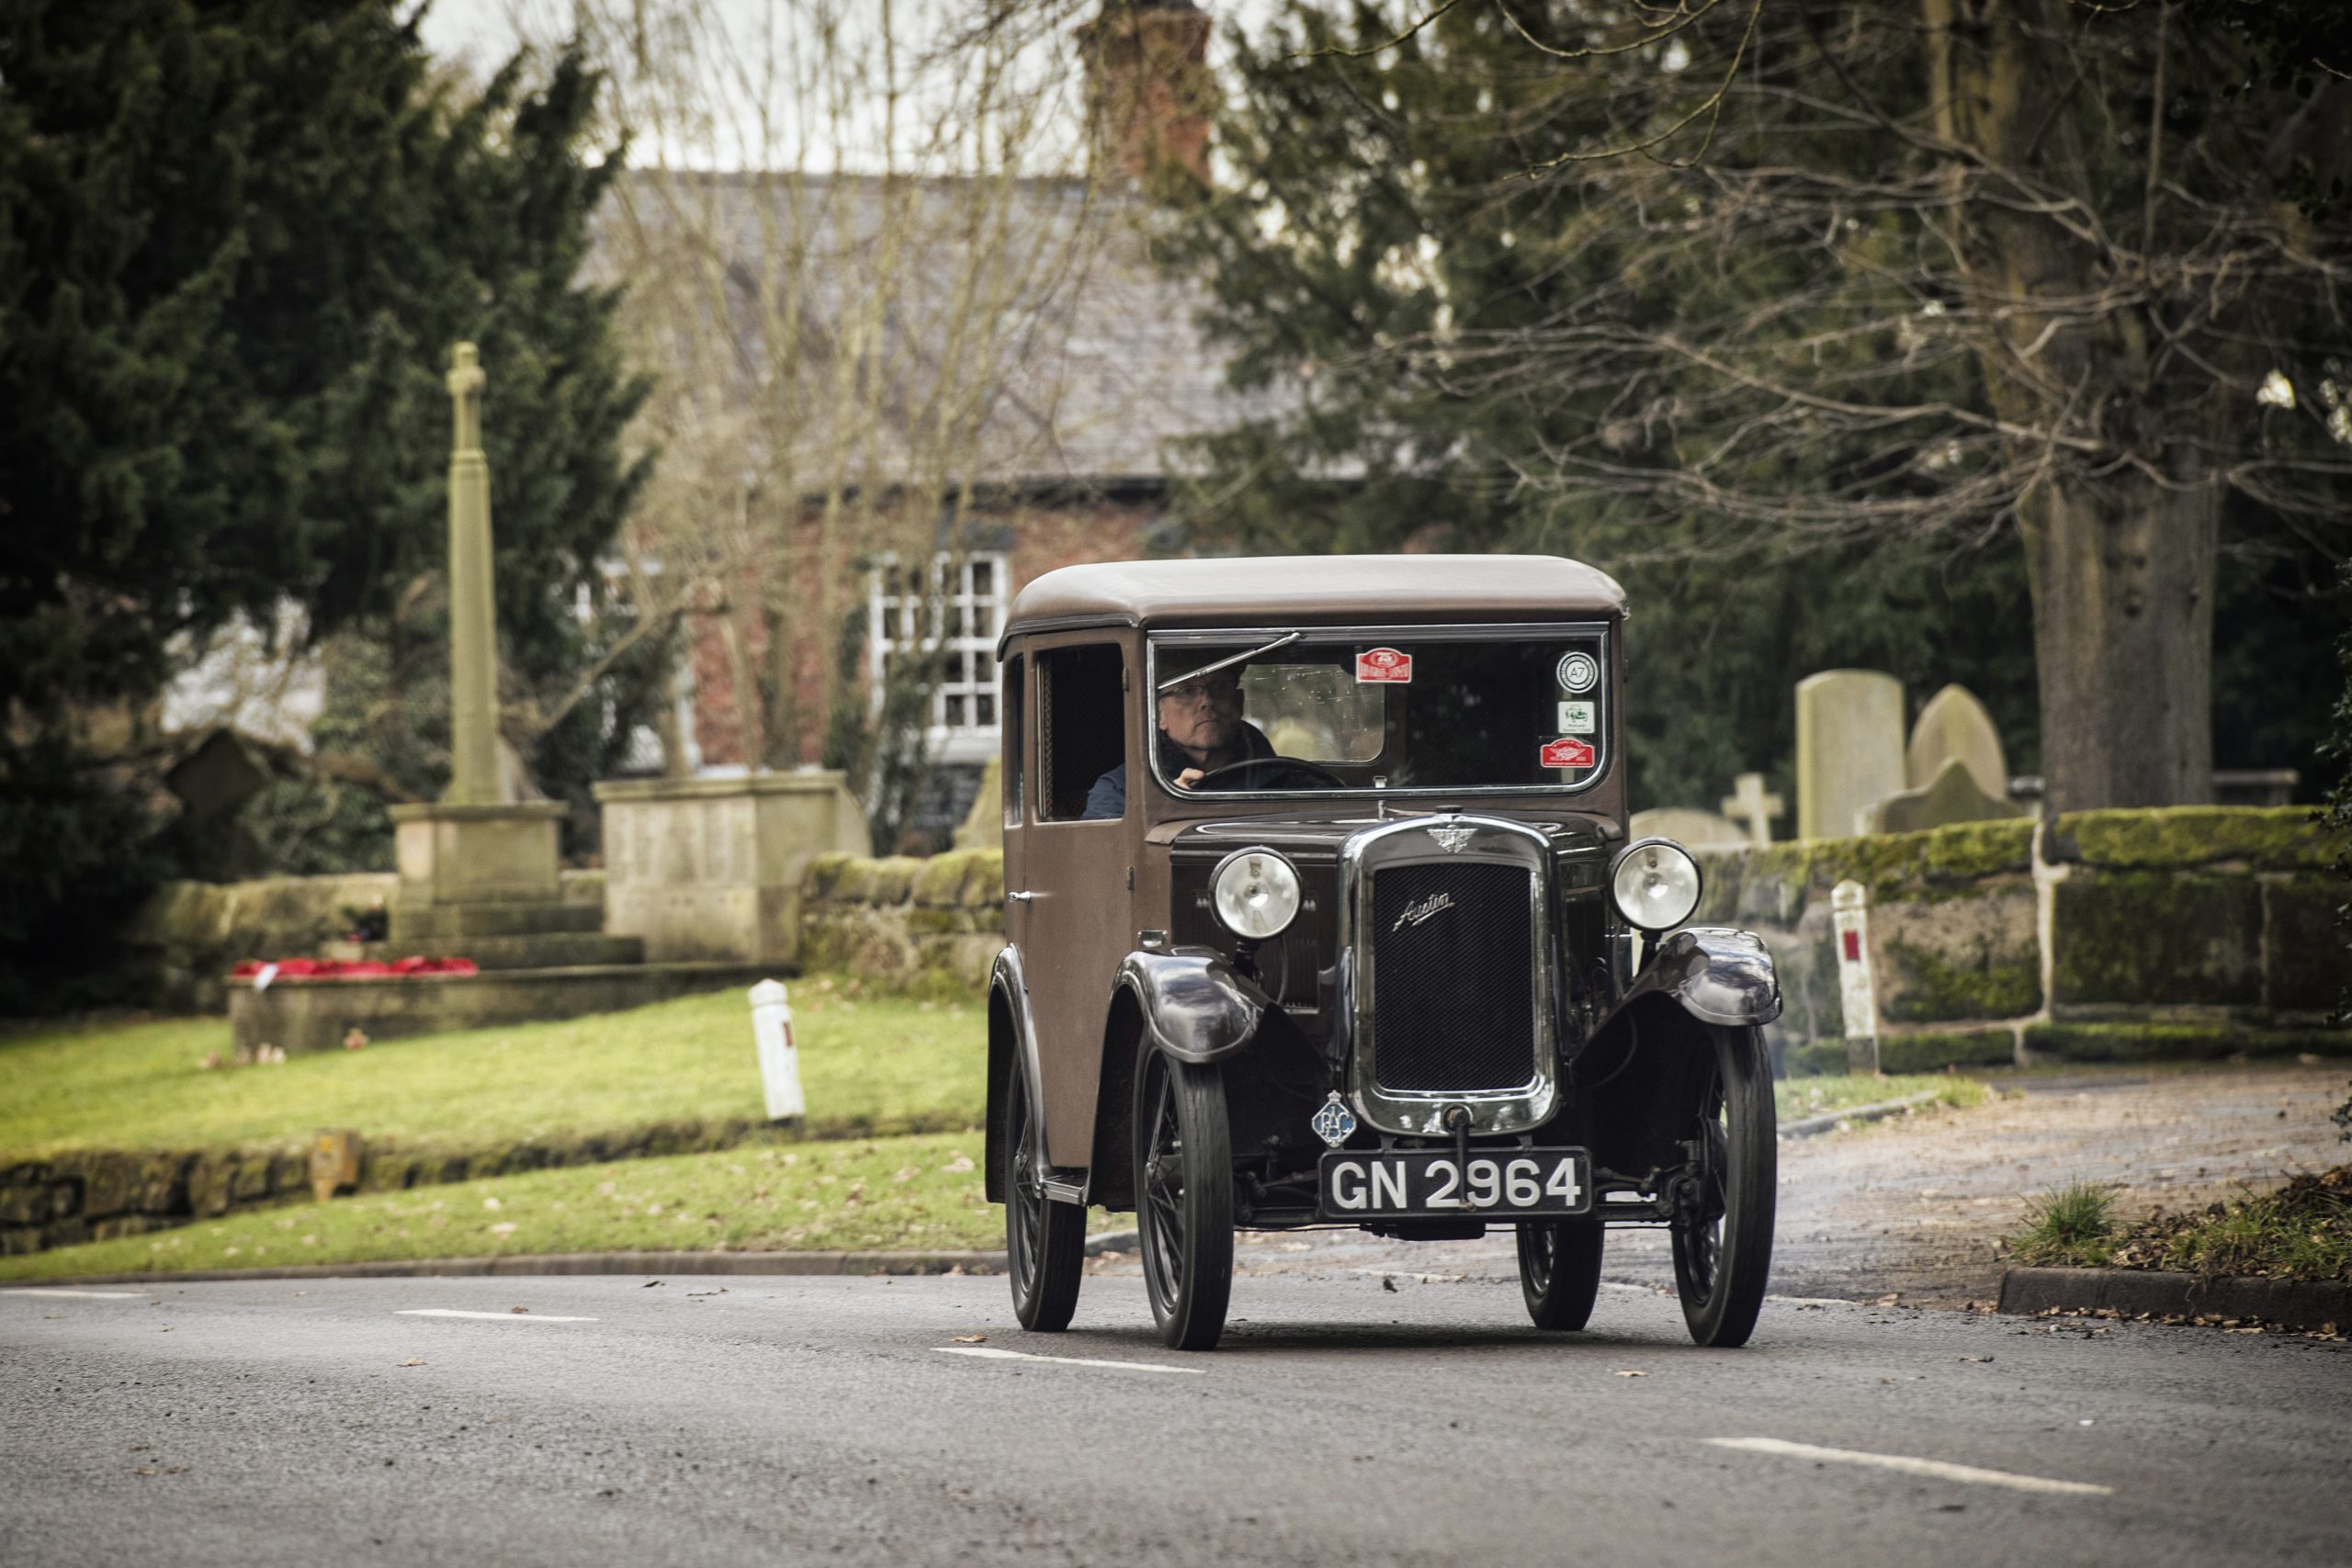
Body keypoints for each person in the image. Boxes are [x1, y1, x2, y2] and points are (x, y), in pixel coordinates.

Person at [1081, 662, 1283, 819]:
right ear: (1159, 715)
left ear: (1239, 702)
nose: (1207, 701)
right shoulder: (1122, 789)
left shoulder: (1285, 781)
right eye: (1187, 691)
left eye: (1220, 687)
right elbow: (1104, 858)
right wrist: (1161, 809)